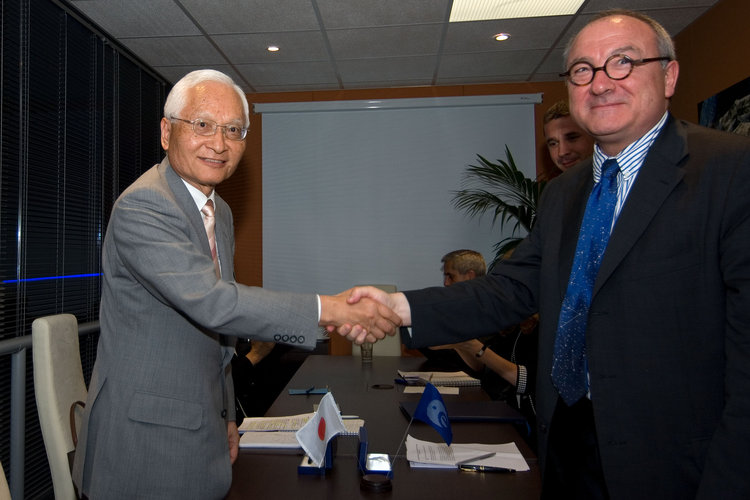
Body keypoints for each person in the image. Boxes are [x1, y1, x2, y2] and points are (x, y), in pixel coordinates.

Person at [342, 9, 750, 499]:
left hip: (677, 463)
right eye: (583, 70)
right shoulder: (562, 193)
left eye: (622, 62)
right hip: (567, 446)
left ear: (668, 75)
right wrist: (395, 307)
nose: (600, 83)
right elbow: (512, 288)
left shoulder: (730, 171)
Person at [71, 69, 400, 499]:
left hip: (200, 422)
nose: (219, 143)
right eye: (203, 125)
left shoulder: (218, 211)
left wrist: (224, 412)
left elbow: (216, 333)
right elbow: (213, 303)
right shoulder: (145, 204)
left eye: (234, 130)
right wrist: (332, 309)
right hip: (144, 439)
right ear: (167, 133)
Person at [543, 99, 594, 173]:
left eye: (572, 138)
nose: (562, 152)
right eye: (553, 143)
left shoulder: (614, 181)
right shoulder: (555, 184)